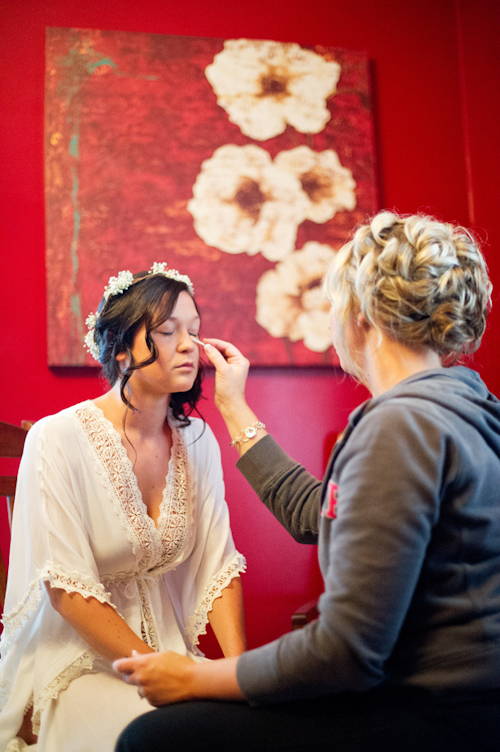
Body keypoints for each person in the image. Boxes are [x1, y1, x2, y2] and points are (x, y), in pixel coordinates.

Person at [114, 212, 500, 752]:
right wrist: (234, 406)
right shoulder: (467, 404)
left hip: (436, 714)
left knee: (153, 739)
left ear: (361, 314)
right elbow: (320, 515)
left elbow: (345, 651)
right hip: (478, 702)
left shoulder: (399, 425)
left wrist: (193, 677)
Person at [0, 263, 247, 752]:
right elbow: (66, 590)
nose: (188, 346)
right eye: (166, 331)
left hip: (174, 658)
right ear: (119, 347)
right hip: (80, 661)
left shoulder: (196, 439)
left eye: (194, 332)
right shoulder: (57, 437)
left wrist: (243, 676)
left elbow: (218, 565)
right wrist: (159, 671)